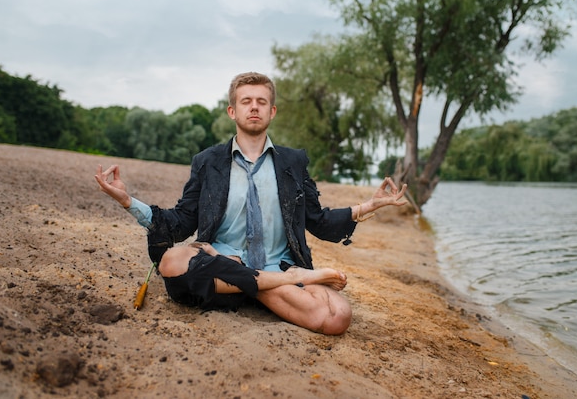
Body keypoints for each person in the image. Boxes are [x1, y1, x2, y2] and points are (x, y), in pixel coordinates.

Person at [95, 72, 407, 335]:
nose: (254, 108)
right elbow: (182, 221)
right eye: (246, 101)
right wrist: (127, 200)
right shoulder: (208, 162)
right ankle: (285, 282)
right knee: (172, 261)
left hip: (272, 265)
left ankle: (263, 284)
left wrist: (370, 205)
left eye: (261, 102)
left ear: (273, 111)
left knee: (338, 316)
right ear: (233, 111)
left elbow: (317, 219)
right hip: (223, 263)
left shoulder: (293, 163)